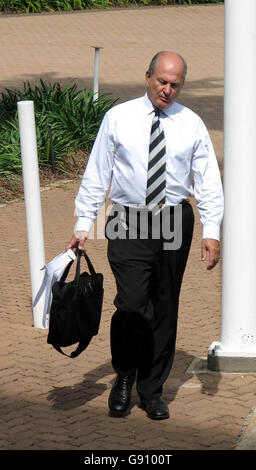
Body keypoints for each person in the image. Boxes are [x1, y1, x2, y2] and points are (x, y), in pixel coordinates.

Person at [66, 51, 224, 420]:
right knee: (133, 302)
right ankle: (124, 374)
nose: (167, 91)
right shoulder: (118, 118)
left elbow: (208, 184)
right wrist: (83, 224)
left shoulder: (192, 123)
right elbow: (97, 173)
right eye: (162, 82)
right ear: (148, 76)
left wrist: (211, 231)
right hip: (126, 219)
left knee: (164, 304)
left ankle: (152, 390)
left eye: (175, 85)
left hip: (172, 219)